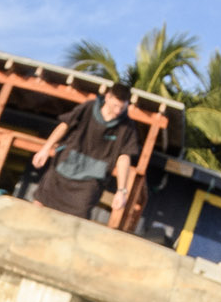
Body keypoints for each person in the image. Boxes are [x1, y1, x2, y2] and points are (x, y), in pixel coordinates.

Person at [32, 82, 141, 223]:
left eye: (122, 107)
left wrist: (121, 191)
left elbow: (124, 157)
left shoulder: (127, 126)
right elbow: (64, 125)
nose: (118, 111)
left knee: (74, 222)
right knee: (39, 205)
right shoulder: (89, 107)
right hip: (63, 168)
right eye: (115, 106)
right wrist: (45, 149)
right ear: (108, 97)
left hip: (90, 182)